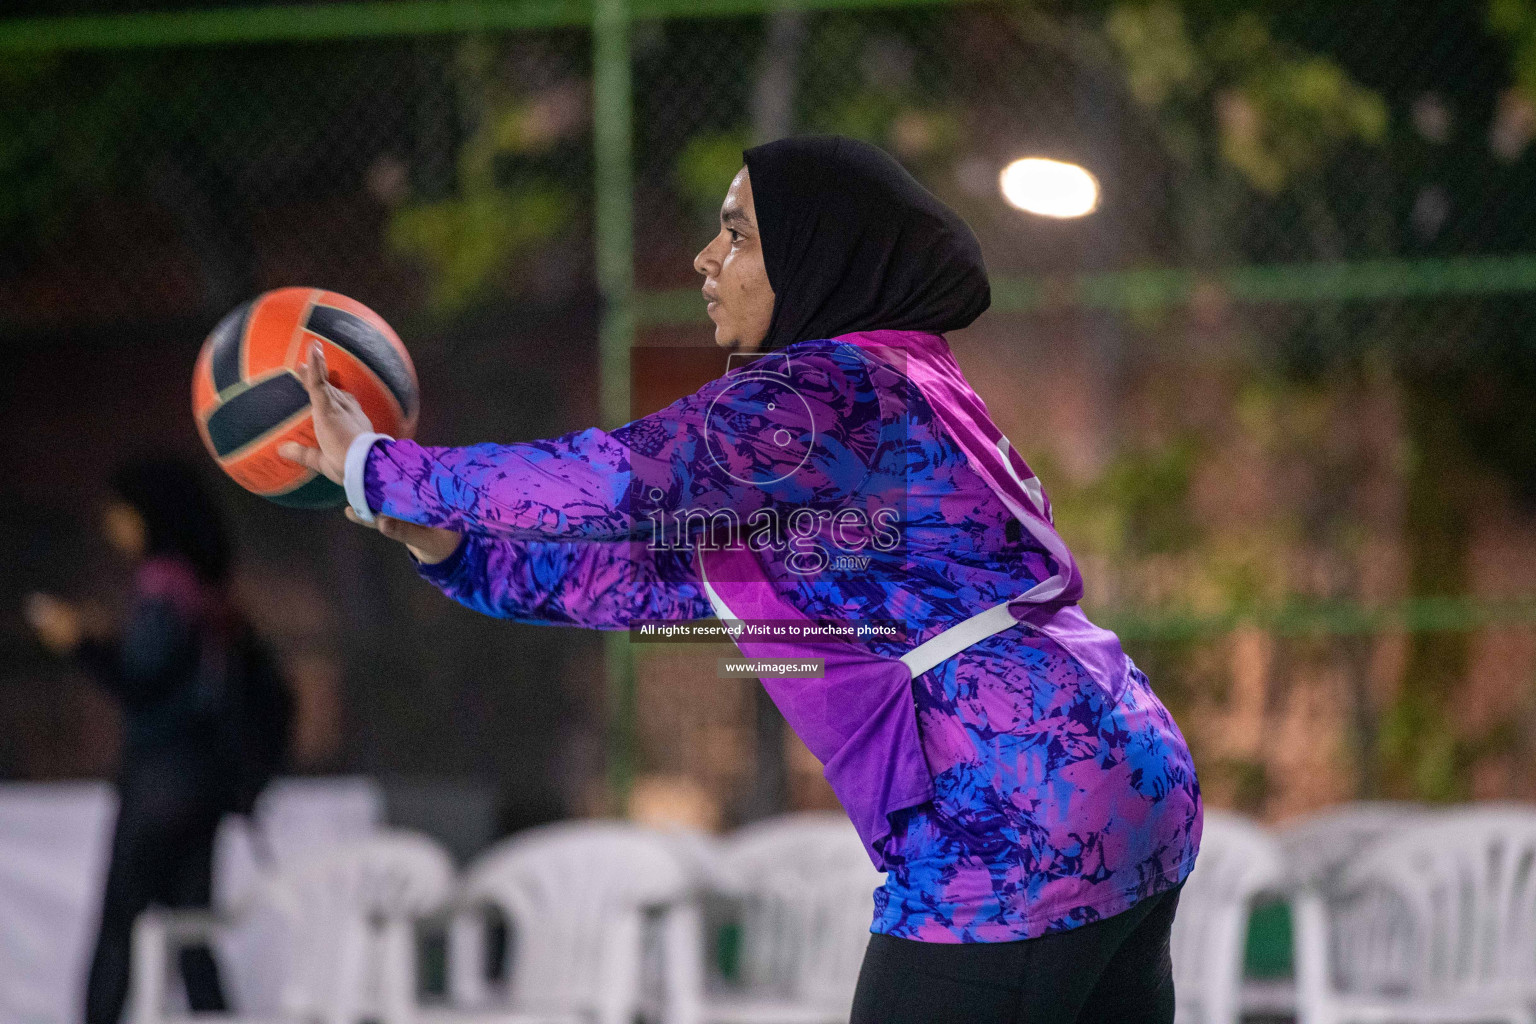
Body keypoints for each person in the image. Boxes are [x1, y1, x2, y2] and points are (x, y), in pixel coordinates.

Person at [281, 136, 1202, 1024]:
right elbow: (631, 580)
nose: (703, 257)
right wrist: (436, 540)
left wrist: (377, 467)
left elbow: (616, 482)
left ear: (814, 258)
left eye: (738, 234)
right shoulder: (874, 402)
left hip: (1019, 814)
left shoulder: (829, 391)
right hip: (1108, 770)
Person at [26, 459, 290, 1024]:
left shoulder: (165, 582)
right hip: (206, 784)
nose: (112, 527)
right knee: (191, 932)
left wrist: (81, 645)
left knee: (122, 922)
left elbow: (145, 681)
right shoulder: (207, 587)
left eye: (119, 513)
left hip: (162, 785)